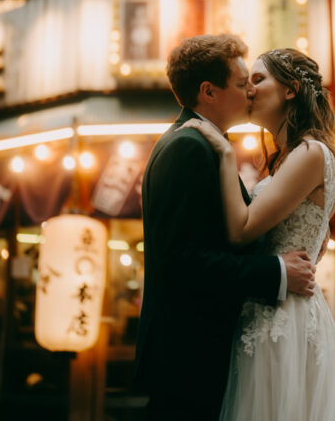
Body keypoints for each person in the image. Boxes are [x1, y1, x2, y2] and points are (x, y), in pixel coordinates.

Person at [134, 34, 316, 420]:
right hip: (188, 354)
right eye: (239, 84)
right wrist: (277, 271)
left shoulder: (204, 144)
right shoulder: (189, 147)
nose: (250, 92)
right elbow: (182, 261)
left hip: (197, 351)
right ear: (208, 92)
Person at [183, 48, 335, 421]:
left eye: (258, 80)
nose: (249, 90)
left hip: (283, 317)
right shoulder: (288, 157)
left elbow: (242, 230)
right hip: (268, 303)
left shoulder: (310, 152)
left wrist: (225, 154)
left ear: (291, 90)